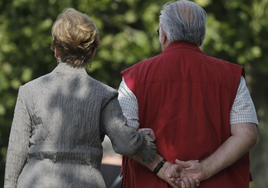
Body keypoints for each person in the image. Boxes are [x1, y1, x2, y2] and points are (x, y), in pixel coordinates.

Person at [4, 8, 161, 188]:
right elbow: (126, 144)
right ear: (92, 53)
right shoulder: (104, 95)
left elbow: (16, 154)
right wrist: (145, 139)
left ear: (56, 51)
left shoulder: (28, 91)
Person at [118, 0, 259, 188]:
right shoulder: (231, 77)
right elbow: (247, 135)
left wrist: (163, 167)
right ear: (201, 36)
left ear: (164, 34)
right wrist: (205, 168)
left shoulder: (133, 78)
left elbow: (124, 137)